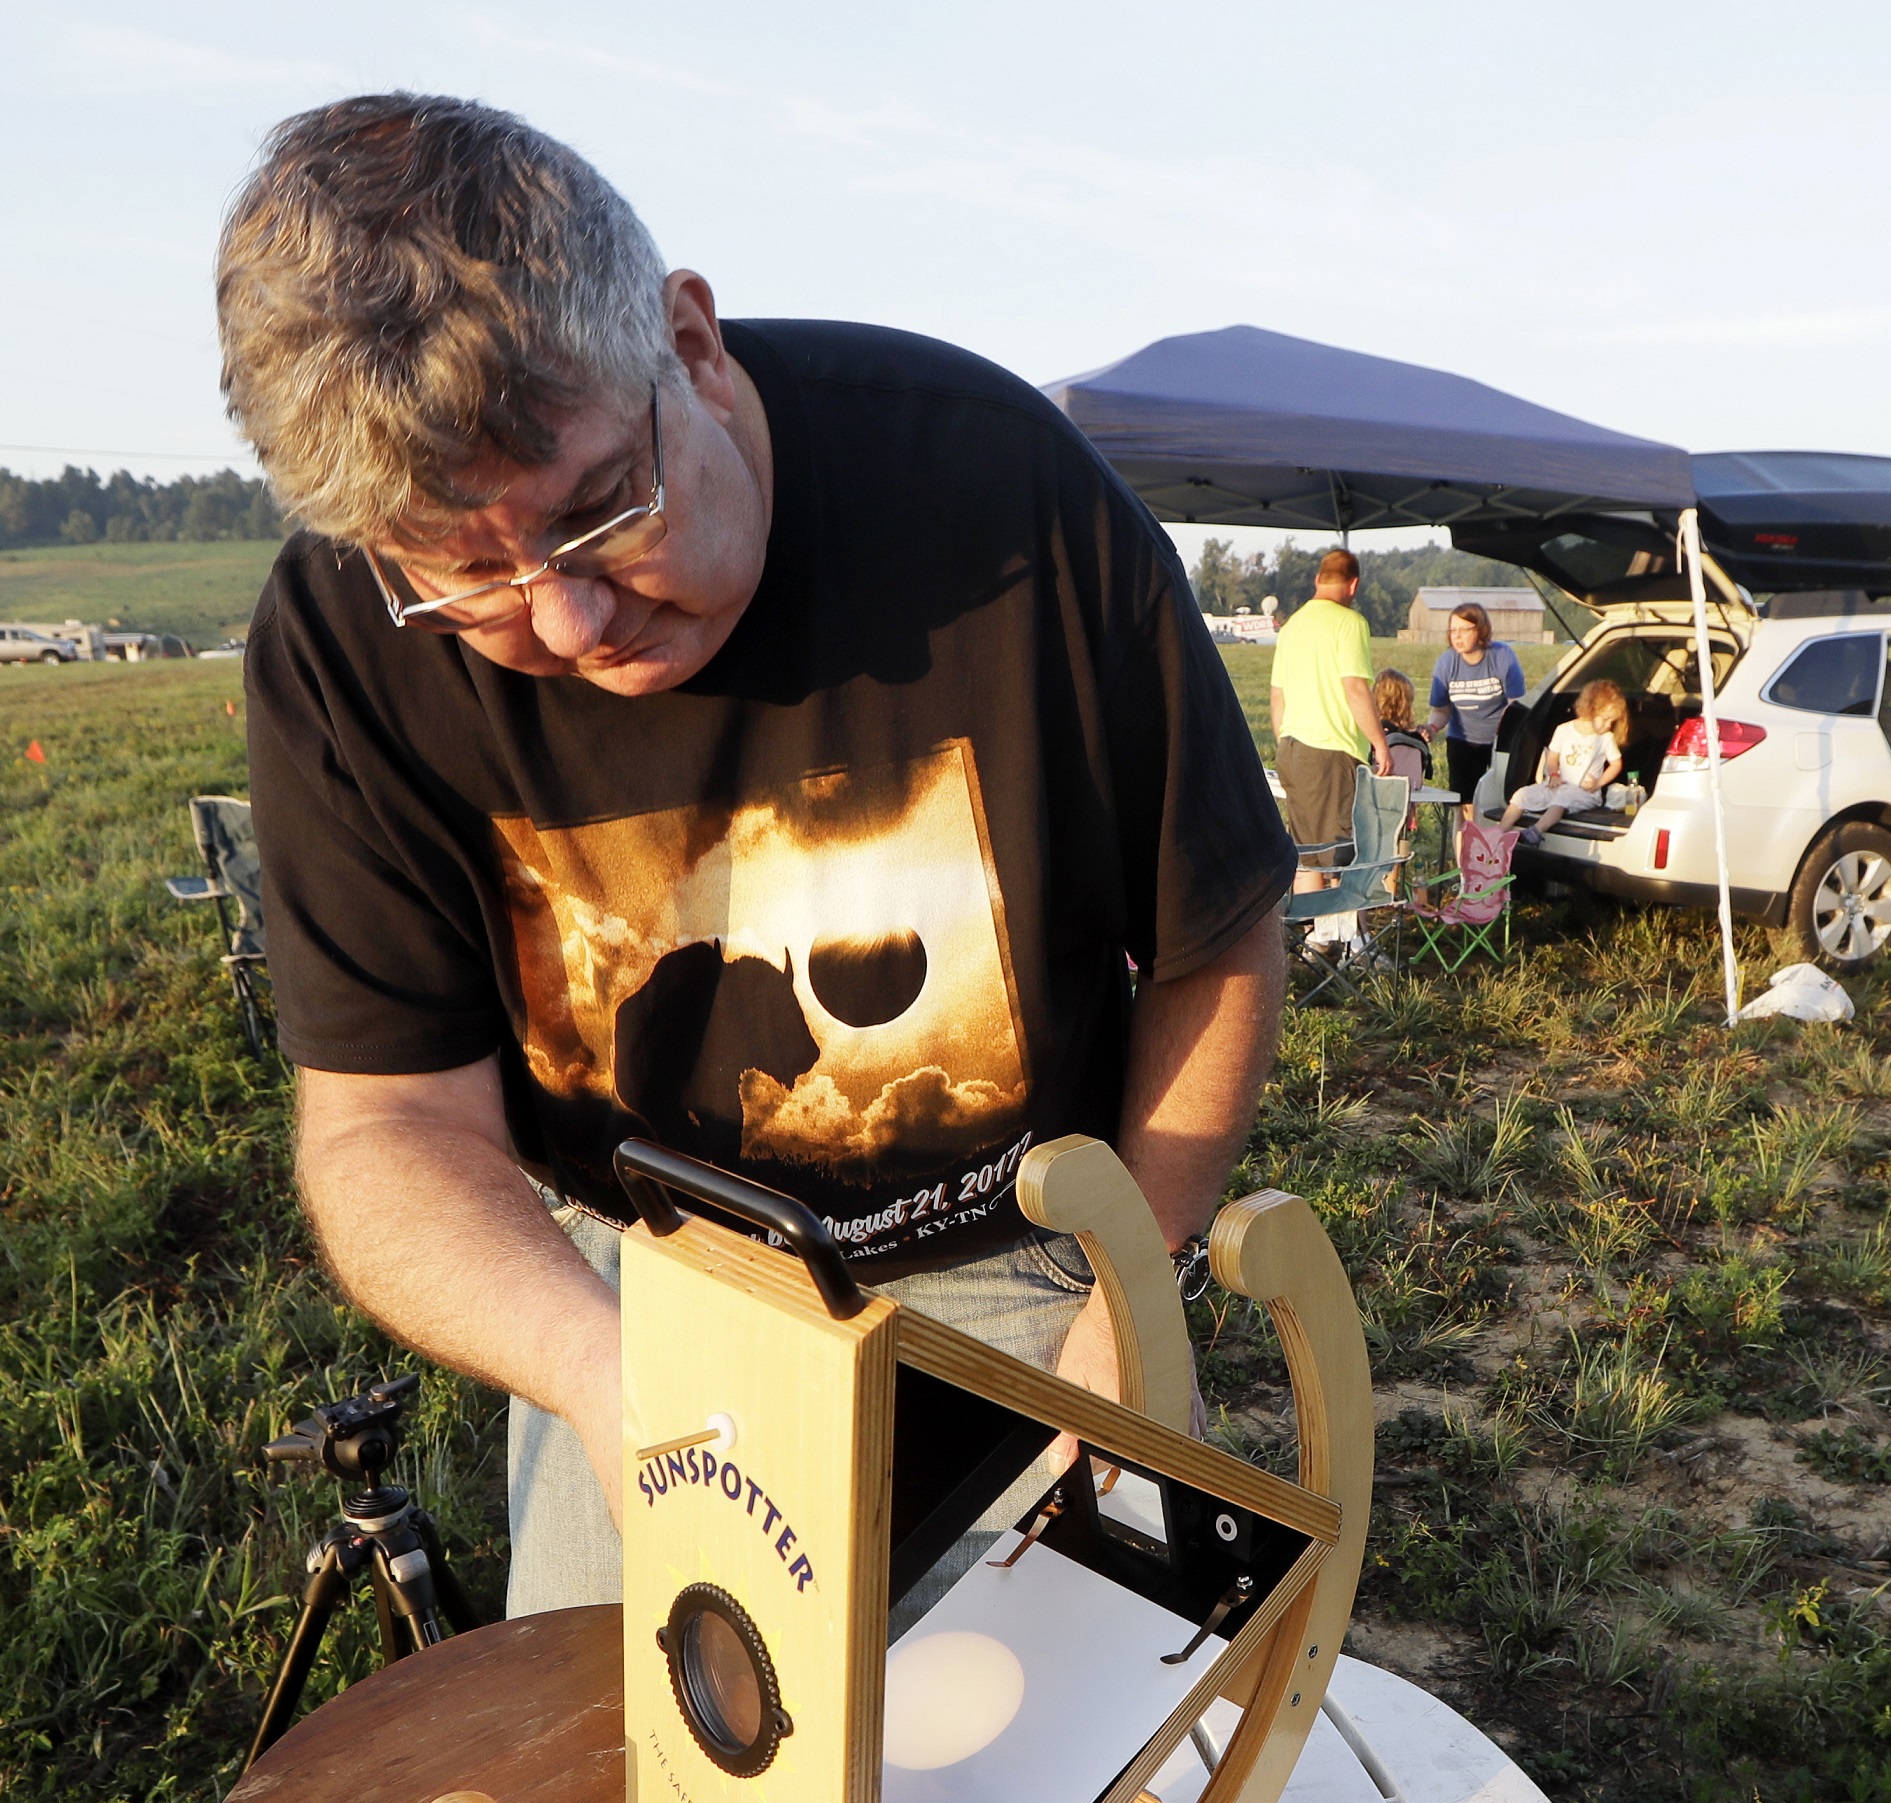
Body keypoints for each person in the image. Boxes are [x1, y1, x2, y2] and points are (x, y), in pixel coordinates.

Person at [215, 95, 1293, 1614]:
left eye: (601, 509)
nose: (572, 621)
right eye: (468, 579)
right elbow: (386, 1123)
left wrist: (1131, 1311)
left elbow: (1215, 934)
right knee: (670, 1795)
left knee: (1081, 1769)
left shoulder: (998, 493)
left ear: (691, 345)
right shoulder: (338, 646)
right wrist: (600, 1373)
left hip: (1018, 1245)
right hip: (642, 1289)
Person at [1267, 549, 1378, 893]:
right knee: (1338, 854)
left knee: (1305, 851)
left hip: (1292, 749)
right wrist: (1381, 744)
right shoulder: (1350, 623)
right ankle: (1334, 935)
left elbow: (1277, 696)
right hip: (1332, 751)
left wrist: (1284, 741)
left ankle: (1309, 933)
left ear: (1317, 579)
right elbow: (1356, 689)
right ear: (1354, 584)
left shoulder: (1291, 625)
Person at [1423, 603, 1524, 811]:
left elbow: (1517, 705)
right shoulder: (1446, 663)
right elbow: (1441, 710)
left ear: (1480, 630)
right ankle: (1464, 843)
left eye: (1464, 630)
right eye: (1453, 631)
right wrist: (1431, 728)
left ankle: (1495, 841)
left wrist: (1504, 732)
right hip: (1462, 741)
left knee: (1500, 803)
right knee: (1464, 808)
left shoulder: (1502, 656)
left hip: (1499, 742)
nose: (1457, 637)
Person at [1502, 678, 1628, 837]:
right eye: (1605, 719)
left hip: (1585, 792)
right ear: (1590, 709)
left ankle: (1536, 831)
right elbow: (1552, 758)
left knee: (1562, 798)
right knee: (1522, 794)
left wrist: (1598, 783)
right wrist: (1554, 775)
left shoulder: (1605, 738)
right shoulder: (1564, 730)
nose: (1609, 725)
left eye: (1612, 721)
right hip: (1559, 785)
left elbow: (1616, 764)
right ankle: (1499, 831)